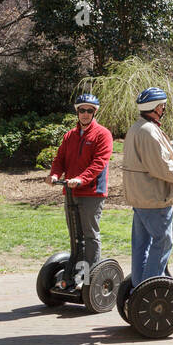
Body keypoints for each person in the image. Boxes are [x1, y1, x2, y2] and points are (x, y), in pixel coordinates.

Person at [123, 87, 173, 286]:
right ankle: (149, 290)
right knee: (163, 243)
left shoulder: (137, 127)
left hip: (140, 198)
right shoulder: (148, 131)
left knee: (141, 246)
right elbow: (163, 169)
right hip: (154, 199)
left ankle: (137, 288)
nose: (164, 109)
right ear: (156, 107)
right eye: (162, 105)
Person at [48, 92, 113, 286]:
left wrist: (81, 179)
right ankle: (76, 273)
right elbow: (60, 159)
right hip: (71, 191)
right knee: (75, 235)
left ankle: (91, 277)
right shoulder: (70, 135)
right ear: (77, 112)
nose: (85, 114)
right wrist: (54, 174)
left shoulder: (103, 134)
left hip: (92, 192)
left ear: (94, 113)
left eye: (89, 111)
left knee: (90, 235)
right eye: (82, 110)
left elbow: (99, 162)